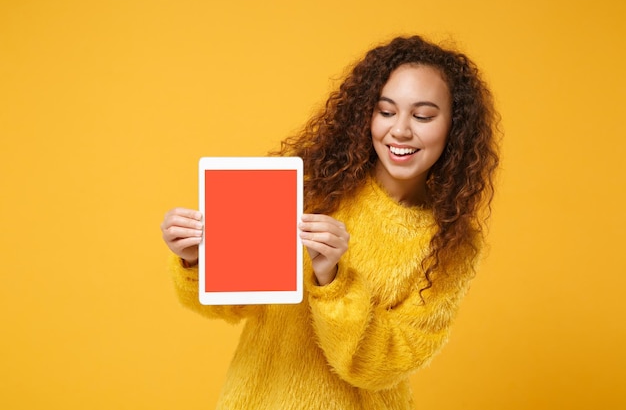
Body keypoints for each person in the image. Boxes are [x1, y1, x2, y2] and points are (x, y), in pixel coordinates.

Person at [160, 35, 499, 410]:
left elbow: (384, 366)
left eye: (422, 116)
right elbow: (231, 306)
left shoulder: (451, 245)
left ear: (456, 127)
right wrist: (197, 259)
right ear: (365, 114)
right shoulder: (310, 189)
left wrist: (334, 280)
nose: (400, 130)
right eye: (386, 111)